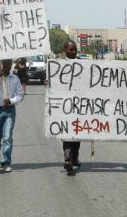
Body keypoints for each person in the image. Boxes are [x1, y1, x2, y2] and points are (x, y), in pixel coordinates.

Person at [45, 40, 82, 175]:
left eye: (75, 50)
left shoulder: (84, 64)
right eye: (70, 50)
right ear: (64, 50)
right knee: (66, 132)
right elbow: (51, 82)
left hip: (80, 106)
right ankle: (67, 159)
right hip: (63, 105)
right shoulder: (57, 64)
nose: (73, 52)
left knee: (77, 133)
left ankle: (75, 157)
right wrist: (48, 83)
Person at [0, 59, 24, 172]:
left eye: (8, 63)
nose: (6, 66)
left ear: (11, 64)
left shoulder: (15, 78)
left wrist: (11, 101)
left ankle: (6, 161)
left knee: (7, 137)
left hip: (9, 111)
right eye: (4, 63)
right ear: (0, 64)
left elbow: (20, 95)